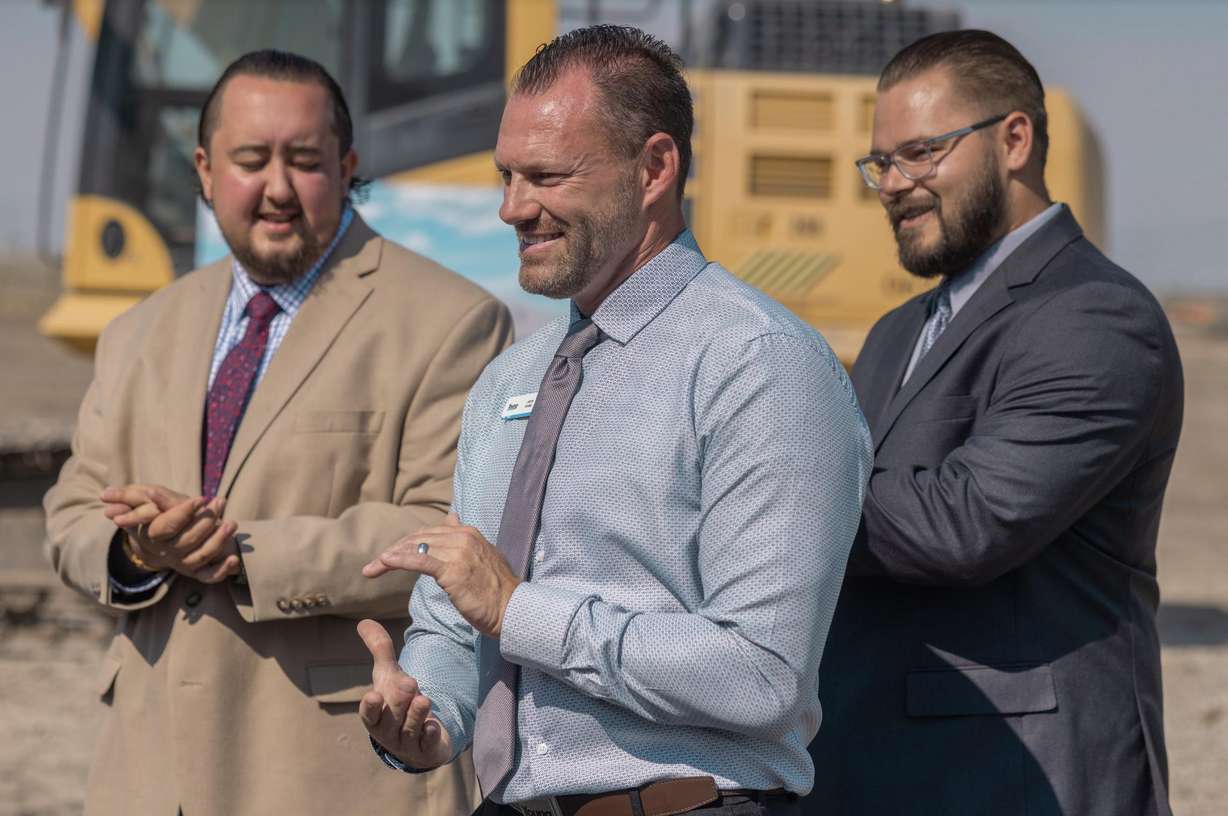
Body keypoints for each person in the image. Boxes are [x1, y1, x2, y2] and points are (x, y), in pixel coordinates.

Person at [353, 25, 872, 816]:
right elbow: (458, 628)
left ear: (655, 167)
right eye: (505, 175)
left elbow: (762, 673)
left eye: (546, 176)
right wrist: (427, 718)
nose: (510, 208)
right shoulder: (507, 382)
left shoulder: (761, 365)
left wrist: (519, 611)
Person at [43, 49, 511, 815]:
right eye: (251, 160)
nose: (277, 188)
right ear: (203, 169)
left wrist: (243, 555)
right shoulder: (138, 331)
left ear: (349, 164)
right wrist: (136, 551)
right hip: (146, 770)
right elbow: (70, 512)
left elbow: (446, 535)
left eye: (304, 160)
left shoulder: (449, 322)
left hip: (329, 774)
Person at [804, 30, 1183, 816]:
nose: (894, 184)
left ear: (1014, 140)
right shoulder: (894, 334)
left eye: (922, 152)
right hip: (877, 765)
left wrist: (759, 496)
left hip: (1018, 778)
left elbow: (967, 521)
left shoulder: (1095, 317)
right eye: (882, 162)